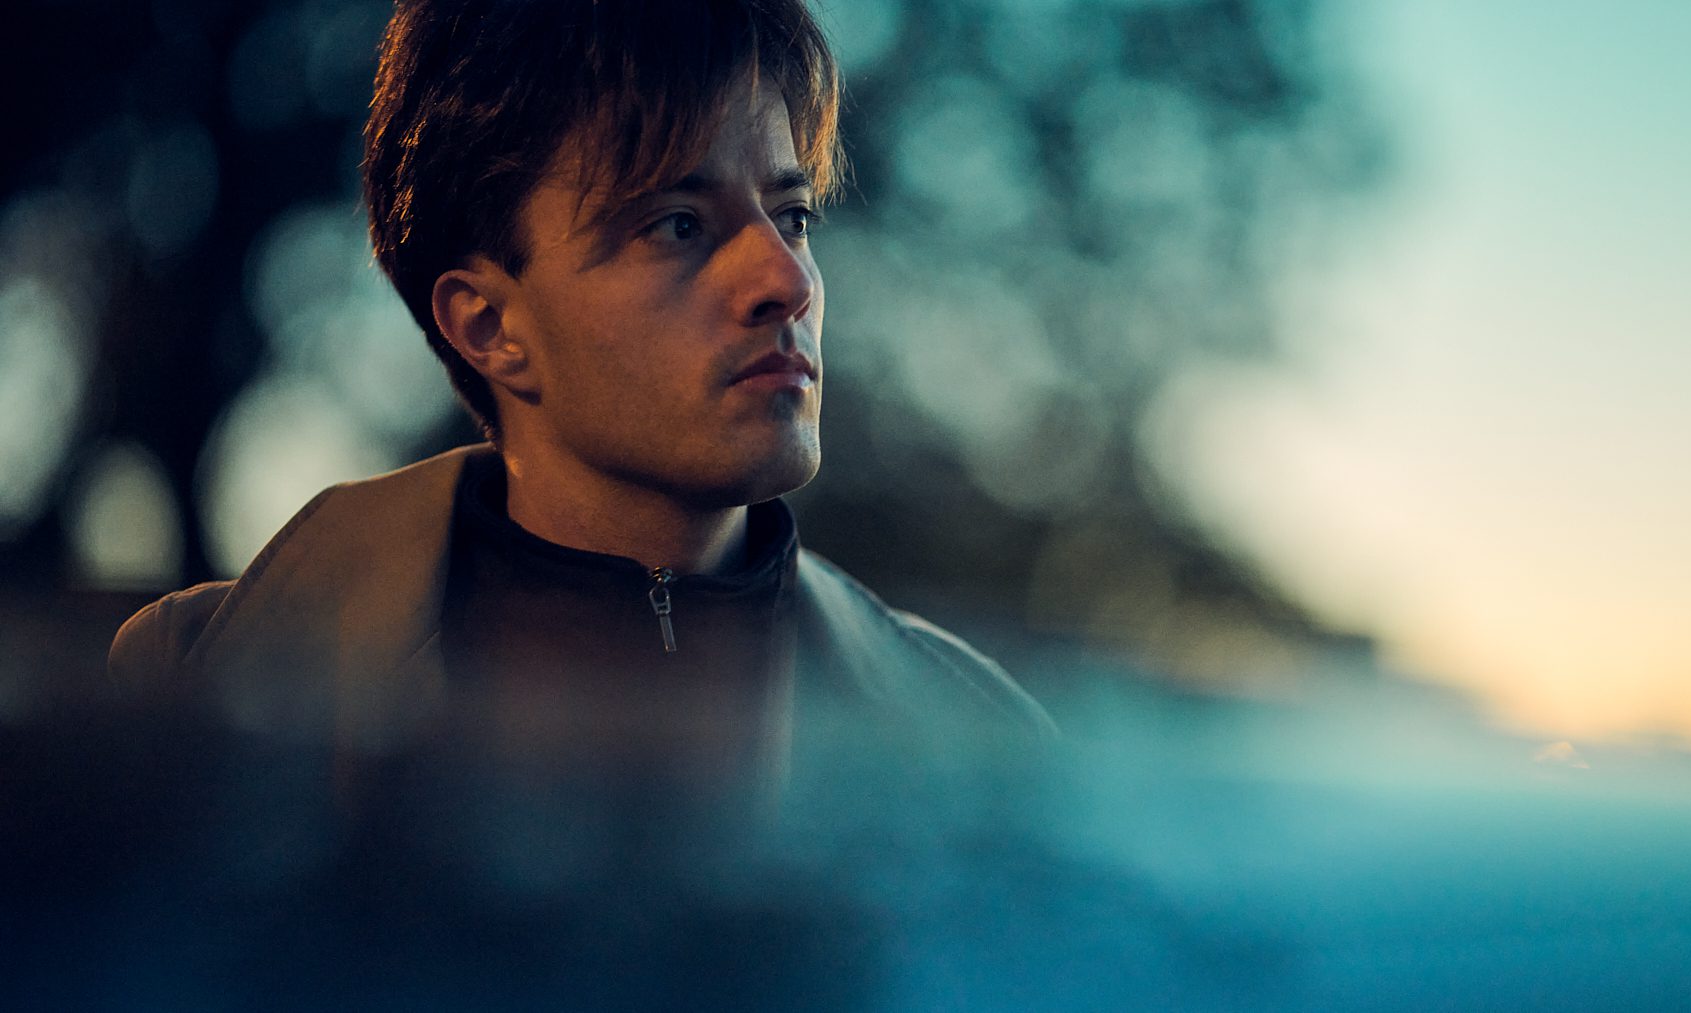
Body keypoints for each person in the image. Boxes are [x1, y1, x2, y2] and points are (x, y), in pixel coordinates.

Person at [108, 0, 1052, 801]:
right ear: (489, 325)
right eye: (678, 225)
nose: (788, 279)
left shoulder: (981, 733)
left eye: (793, 216)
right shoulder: (192, 681)